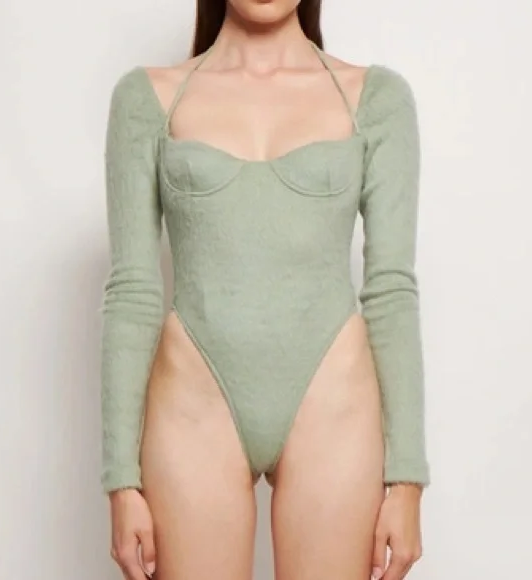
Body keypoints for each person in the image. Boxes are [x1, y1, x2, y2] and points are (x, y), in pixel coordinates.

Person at [99, 1, 430, 579]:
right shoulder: (148, 98)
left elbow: (391, 291)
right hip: (192, 402)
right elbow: (133, 290)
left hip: (334, 400)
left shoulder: (374, 99)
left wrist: (407, 481)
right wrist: (120, 481)